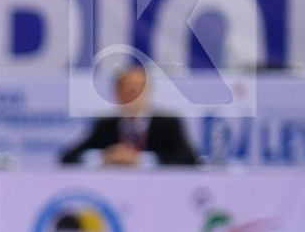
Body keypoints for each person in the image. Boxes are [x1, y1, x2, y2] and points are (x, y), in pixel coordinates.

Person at [60, 64, 201, 165]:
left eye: (138, 91)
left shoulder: (167, 124)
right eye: (128, 91)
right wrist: (104, 157)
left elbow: (188, 158)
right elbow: (69, 157)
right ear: (117, 94)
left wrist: (140, 160)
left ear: (148, 93)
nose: (133, 97)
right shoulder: (106, 126)